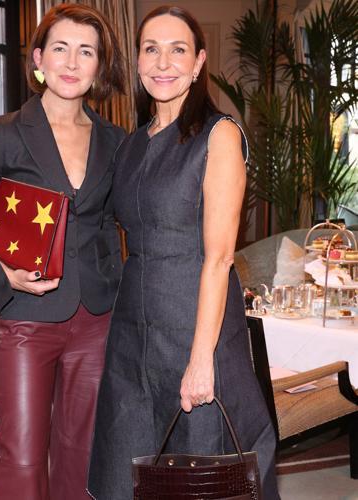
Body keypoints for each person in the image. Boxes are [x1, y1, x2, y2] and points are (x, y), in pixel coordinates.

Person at [88, 5, 280, 499]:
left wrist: (200, 359)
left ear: (198, 63)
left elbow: (219, 258)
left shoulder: (219, 134)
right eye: (151, 49)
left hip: (196, 328)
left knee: (203, 471)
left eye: (178, 50)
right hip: (133, 333)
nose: (163, 62)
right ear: (137, 61)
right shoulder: (131, 145)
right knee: (130, 462)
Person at [0, 4, 125, 499]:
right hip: (26, 318)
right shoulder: (7, 132)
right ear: (39, 59)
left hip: (96, 321)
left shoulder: (114, 140)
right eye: (60, 48)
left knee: (82, 454)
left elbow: (114, 223)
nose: (72, 62)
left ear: (99, 65)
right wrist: (4, 276)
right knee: (21, 458)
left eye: (86, 51)